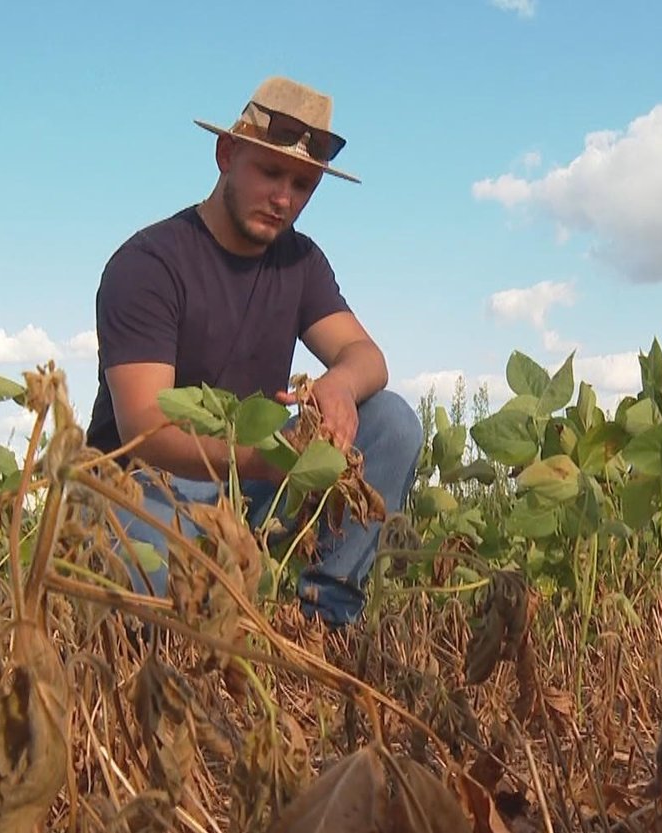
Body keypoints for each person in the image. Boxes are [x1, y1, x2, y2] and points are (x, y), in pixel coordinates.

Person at [85, 76, 422, 627]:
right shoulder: (149, 263)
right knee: (152, 594)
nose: (284, 198)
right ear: (226, 154)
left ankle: (326, 618)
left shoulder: (299, 261)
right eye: (269, 172)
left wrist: (337, 383)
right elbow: (145, 428)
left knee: (391, 421)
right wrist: (266, 458)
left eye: (304, 183)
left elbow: (366, 356)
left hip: (252, 487)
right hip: (145, 485)